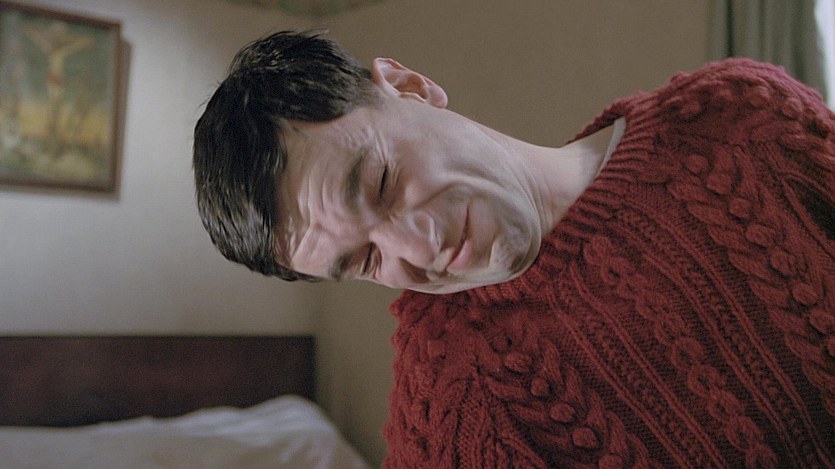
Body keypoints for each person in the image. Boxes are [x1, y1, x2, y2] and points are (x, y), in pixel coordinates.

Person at [193, 31, 834, 468]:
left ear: (410, 86)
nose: (420, 248)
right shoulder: (451, 410)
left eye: (383, 182)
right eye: (364, 259)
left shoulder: (739, 121)